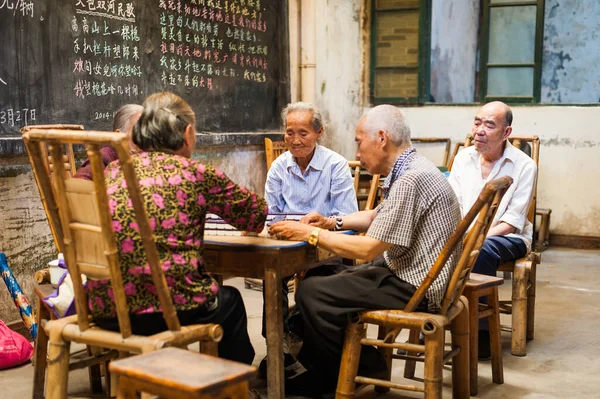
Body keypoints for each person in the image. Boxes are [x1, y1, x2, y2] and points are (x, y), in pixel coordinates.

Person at [269, 104, 462, 396]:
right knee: (324, 287)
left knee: (312, 292)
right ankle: (336, 363)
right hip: (413, 272)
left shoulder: (411, 179)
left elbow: (369, 248)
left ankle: (355, 367)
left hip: (417, 285)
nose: (357, 153)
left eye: (360, 142)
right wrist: (331, 222)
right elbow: (375, 216)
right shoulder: (413, 168)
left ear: (381, 138)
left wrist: (310, 233)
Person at [86, 92, 268, 365]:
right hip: (168, 312)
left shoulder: (111, 172)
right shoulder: (195, 173)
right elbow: (255, 216)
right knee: (230, 300)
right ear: (189, 133)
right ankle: (233, 389)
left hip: (106, 310)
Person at [260, 102, 358, 378]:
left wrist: (313, 243)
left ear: (318, 133)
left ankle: (318, 357)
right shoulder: (279, 167)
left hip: (327, 245)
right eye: (289, 132)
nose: (295, 139)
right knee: (271, 276)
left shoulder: (335, 165)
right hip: (289, 247)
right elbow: (272, 217)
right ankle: (277, 348)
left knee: (319, 283)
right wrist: (295, 252)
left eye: (303, 132)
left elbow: (347, 218)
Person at [448, 101, 536, 359]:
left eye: (489, 125)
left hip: (508, 236)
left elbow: (512, 221)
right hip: (464, 233)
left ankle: (482, 333)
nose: (479, 130)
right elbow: (453, 204)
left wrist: (473, 238)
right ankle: (434, 316)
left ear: (506, 132)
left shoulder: (524, 166)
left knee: (481, 249)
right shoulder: (463, 158)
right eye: (477, 122)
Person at [73, 104, 143, 180]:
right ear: (118, 135)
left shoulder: (147, 158)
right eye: (139, 130)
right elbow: (77, 185)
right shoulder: (104, 157)